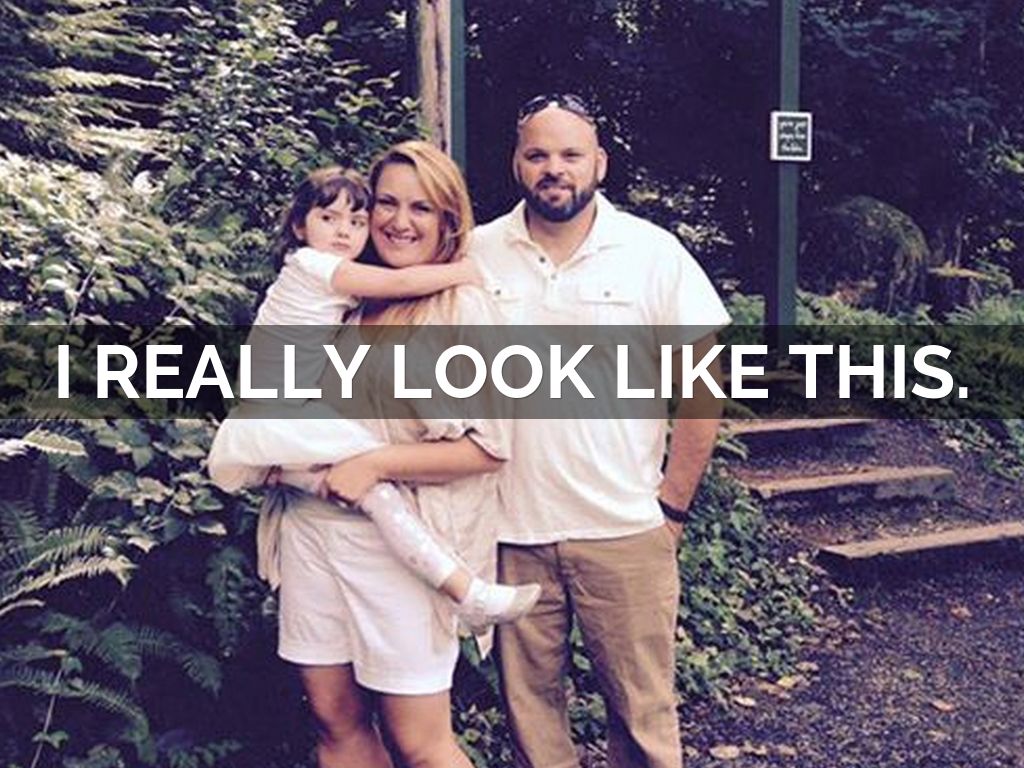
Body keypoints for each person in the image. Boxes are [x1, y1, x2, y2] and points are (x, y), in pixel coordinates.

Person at [469, 94, 732, 768]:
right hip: (511, 532)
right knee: (532, 722)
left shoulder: (652, 253)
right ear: (517, 164)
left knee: (644, 719)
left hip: (625, 530)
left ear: (600, 164)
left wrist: (671, 509)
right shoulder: (476, 253)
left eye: (570, 154)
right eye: (537, 154)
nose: (553, 168)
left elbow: (703, 386)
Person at [206, 165, 539, 631]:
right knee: (380, 497)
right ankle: (467, 591)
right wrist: (464, 270)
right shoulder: (320, 269)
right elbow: (401, 284)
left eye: (355, 221)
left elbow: (488, 447)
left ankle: (466, 591)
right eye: (329, 218)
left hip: (284, 419)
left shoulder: (438, 307)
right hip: (283, 417)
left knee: (367, 488)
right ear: (299, 226)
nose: (344, 231)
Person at [271, 141, 513, 768]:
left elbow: (489, 448)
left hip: (401, 546)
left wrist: (375, 464)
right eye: (386, 203)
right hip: (311, 533)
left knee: (420, 741)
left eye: (421, 208)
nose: (400, 221)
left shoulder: (461, 307)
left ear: (449, 220)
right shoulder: (348, 294)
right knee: (335, 721)